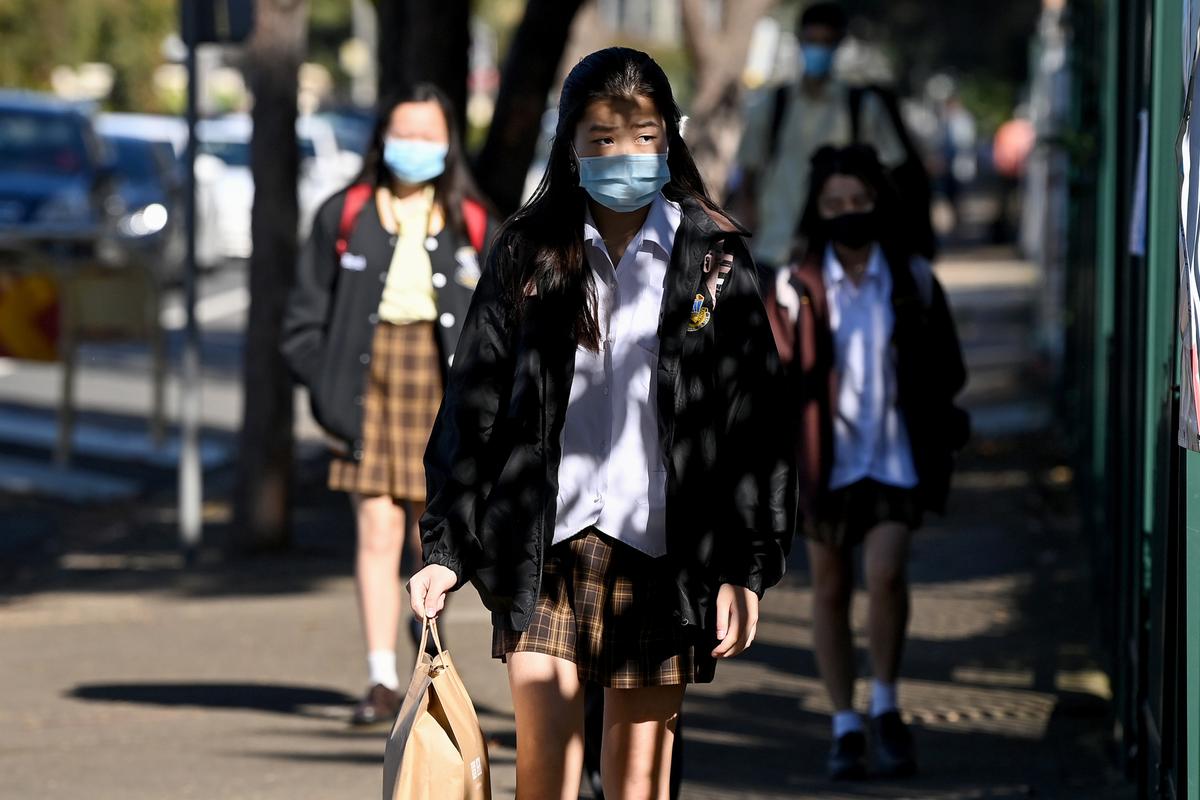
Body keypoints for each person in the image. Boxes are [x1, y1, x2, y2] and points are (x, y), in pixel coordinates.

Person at [407, 47, 793, 800]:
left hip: (663, 553)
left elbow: (757, 423)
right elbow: (473, 403)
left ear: (669, 138)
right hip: (542, 545)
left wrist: (747, 567)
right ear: (571, 144)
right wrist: (446, 549)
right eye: (602, 138)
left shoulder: (712, 258)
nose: (625, 155)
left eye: (645, 136)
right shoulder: (528, 249)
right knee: (543, 777)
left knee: (638, 787)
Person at [282, 84, 495, 726]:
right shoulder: (343, 214)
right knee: (376, 529)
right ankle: (379, 677)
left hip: (442, 386)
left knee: (431, 538)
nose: (416, 148)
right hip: (364, 386)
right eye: (405, 133)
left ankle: (423, 655)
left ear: (450, 144)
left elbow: (500, 322)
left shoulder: (473, 221)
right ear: (382, 138)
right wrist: (325, 389)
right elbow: (302, 320)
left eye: (430, 136)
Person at [766, 144, 968, 780]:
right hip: (825, 465)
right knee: (828, 588)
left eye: (859, 202)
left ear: (879, 203)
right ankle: (843, 721)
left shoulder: (911, 280)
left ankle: (885, 703)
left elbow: (947, 370)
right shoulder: (795, 286)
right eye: (834, 205)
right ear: (817, 211)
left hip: (893, 458)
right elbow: (772, 377)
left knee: (885, 574)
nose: (848, 214)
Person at [729, 2, 932, 274]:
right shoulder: (773, 105)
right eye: (812, 41)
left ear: (839, 44)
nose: (817, 51)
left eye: (826, 42)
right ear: (799, 41)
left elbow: (890, 176)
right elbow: (749, 175)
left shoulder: (861, 107)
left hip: (842, 257)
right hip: (776, 250)